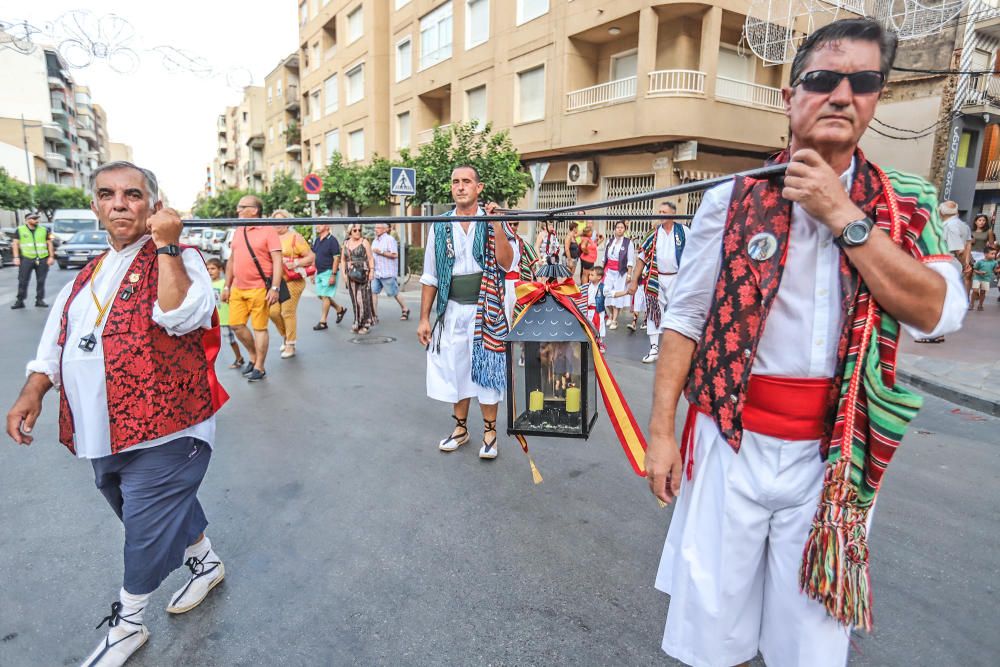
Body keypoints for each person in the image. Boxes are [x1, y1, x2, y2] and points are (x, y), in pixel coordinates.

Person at [646, 20, 967, 667]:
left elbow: (938, 311)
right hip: (730, 443)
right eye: (823, 79)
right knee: (716, 629)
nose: (842, 95)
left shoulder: (902, 204)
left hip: (832, 461)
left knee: (808, 643)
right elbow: (685, 317)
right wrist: (661, 432)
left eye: (864, 81)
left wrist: (842, 215)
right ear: (790, 97)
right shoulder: (733, 197)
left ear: (877, 98)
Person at [5, 161, 229, 667]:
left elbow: (178, 316)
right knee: (137, 507)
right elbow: (56, 343)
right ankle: (205, 562)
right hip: (102, 428)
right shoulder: (84, 276)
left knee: (145, 524)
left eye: (133, 194)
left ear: (153, 205)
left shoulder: (181, 258)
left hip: (170, 428)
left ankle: (129, 623)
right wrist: (33, 391)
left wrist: (168, 245)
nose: (120, 203)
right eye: (108, 195)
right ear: (95, 207)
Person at [417, 165, 518, 460]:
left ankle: (490, 433)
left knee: (486, 372)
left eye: (466, 182)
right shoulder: (440, 225)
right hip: (452, 310)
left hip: (486, 310)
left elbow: (507, 262)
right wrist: (424, 317)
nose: (460, 186)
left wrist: (497, 224)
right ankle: (460, 429)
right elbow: (430, 275)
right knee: (455, 369)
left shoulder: (491, 220)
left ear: (479, 187)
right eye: (455, 182)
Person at [222, 195, 283, 382]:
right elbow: (232, 259)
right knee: (236, 325)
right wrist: (227, 284)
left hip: (259, 288)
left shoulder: (267, 231)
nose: (238, 210)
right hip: (238, 288)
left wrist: (275, 288)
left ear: (254, 210)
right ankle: (254, 356)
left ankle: (260, 366)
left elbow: (277, 261)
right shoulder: (239, 230)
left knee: (259, 328)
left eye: (242, 207)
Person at [627, 201, 687, 364]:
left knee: (677, 314)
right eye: (659, 211)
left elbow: (696, 254)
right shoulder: (653, 234)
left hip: (678, 278)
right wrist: (634, 281)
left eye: (664, 211)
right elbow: (641, 258)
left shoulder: (684, 232)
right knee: (654, 312)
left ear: (673, 214)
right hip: (656, 278)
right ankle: (654, 348)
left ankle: (676, 349)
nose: (660, 214)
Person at [267, 211, 314, 359]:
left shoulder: (295, 237)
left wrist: (295, 263)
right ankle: (286, 337)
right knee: (273, 312)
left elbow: (311, 256)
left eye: (281, 221)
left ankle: (291, 344)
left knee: (287, 312)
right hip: (275, 281)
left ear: (287, 222)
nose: (278, 224)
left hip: (292, 279)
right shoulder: (269, 238)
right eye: (275, 221)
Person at [11, 211, 55, 309]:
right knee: (23, 280)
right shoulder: (20, 230)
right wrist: (16, 257)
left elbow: (49, 244)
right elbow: (15, 244)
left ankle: (39, 300)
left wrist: (51, 257)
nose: (36, 220)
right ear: (27, 220)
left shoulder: (44, 230)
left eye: (37, 218)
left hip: (42, 258)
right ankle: (20, 300)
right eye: (33, 218)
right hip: (26, 258)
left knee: (41, 281)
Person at [207, 257, 244, 369]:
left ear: (221, 270)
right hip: (214, 320)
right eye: (208, 269)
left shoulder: (225, 284)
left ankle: (239, 358)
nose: (210, 271)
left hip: (227, 318)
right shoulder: (206, 284)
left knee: (232, 340)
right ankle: (210, 362)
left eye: (213, 268)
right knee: (214, 342)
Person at [310, 223, 347, 330]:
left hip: (329, 271)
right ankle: (339, 309)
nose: (317, 226)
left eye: (320, 224)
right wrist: (312, 272)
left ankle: (323, 322)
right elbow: (314, 257)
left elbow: (336, 258)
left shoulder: (332, 240)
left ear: (327, 226)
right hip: (319, 272)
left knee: (325, 296)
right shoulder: (317, 240)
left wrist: (333, 275)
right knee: (321, 295)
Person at [342, 224, 377, 334]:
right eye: (355, 230)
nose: (358, 232)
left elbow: (371, 258)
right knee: (354, 300)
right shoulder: (346, 243)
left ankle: (365, 323)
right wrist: (343, 274)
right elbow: (343, 259)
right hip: (350, 274)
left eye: (359, 230)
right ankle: (357, 321)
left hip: (363, 273)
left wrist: (371, 271)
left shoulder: (364, 242)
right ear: (350, 232)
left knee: (362, 299)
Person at [371, 222, 410, 320]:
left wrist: (380, 252)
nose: (376, 229)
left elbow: (394, 255)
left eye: (378, 227)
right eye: (375, 227)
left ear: (385, 229)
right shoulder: (375, 241)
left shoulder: (390, 239)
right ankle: (374, 315)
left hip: (387, 272)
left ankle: (405, 309)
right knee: (373, 292)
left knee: (394, 292)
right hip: (377, 272)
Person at [602, 220, 636, 329]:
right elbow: (604, 258)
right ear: (614, 229)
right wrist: (602, 271)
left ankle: (614, 320)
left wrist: (629, 275)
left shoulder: (628, 243)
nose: (619, 229)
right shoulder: (609, 241)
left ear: (624, 230)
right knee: (606, 293)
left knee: (617, 296)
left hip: (620, 272)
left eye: (622, 227)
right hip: (608, 271)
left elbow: (630, 260)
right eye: (618, 227)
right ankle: (611, 315)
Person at [581, 265, 607, 351]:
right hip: (588, 310)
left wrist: (625, 292)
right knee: (588, 326)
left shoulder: (603, 287)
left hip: (598, 311)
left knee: (600, 326)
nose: (589, 276)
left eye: (592, 275)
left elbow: (613, 294)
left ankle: (600, 342)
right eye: (589, 274)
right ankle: (589, 342)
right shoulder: (587, 286)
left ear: (599, 277)